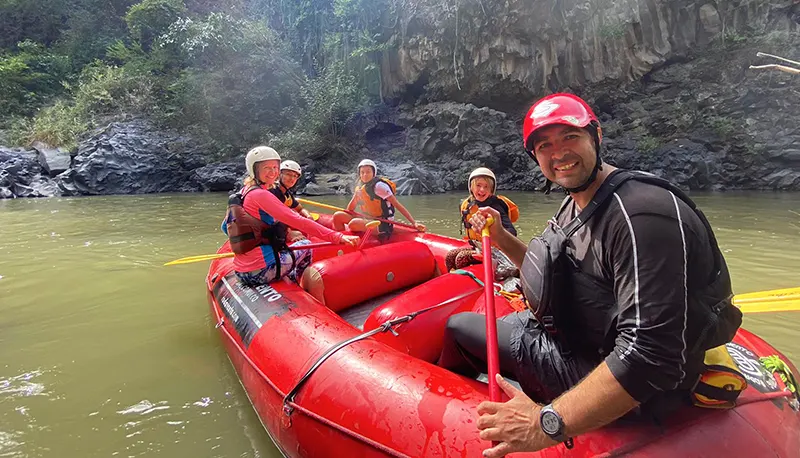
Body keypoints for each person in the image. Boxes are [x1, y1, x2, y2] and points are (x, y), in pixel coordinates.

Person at [437, 93, 743, 457]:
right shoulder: (578, 199)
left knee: (458, 330)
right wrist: (501, 237)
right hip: (581, 338)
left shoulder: (641, 217)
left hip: (628, 384)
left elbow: (650, 358)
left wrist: (543, 423)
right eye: (544, 145)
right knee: (470, 324)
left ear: (596, 136)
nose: (559, 153)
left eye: (570, 137)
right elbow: (543, 269)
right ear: (535, 157)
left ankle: (458, 423)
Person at [222, 146, 360, 286]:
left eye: (275, 167)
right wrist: (339, 237)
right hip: (261, 271)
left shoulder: (243, 192)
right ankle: (298, 283)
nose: (273, 172)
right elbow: (298, 220)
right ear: (254, 170)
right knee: (306, 245)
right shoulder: (261, 195)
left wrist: (255, 238)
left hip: (241, 271)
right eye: (266, 168)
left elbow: (225, 227)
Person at [332, 159, 426, 236]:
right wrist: (356, 196)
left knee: (353, 224)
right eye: (362, 172)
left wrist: (414, 223)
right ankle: (341, 241)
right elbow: (349, 210)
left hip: (383, 223)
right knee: (337, 216)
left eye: (368, 172)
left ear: (374, 173)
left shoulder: (379, 186)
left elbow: (397, 205)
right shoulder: (361, 187)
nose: (365, 175)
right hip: (368, 219)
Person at [461, 167, 518, 242]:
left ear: (491, 191)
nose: (482, 190)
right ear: (471, 187)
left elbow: (512, 232)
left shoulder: (496, 206)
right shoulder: (467, 204)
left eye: (486, 187)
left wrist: (498, 233)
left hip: (493, 249)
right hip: (475, 245)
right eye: (478, 185)